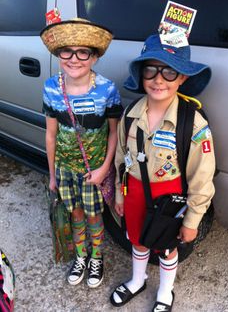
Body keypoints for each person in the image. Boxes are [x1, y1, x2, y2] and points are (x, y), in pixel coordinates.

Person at [110, 33, 215, 311]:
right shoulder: (131, 113)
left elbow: (202, 179)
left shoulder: (192, 123)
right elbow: (122, 156)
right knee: (137, 239)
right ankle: (137, 279)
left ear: (182, 78)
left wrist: (191, 221)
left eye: (169, 71)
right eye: (152, 70)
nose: (159, 79)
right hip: (133, 192)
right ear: (142, 75)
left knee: (167, 248)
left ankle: (166, 292)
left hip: (168, 199)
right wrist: (120, 196)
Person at [40, 18, 123, 288]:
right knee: (75, 214)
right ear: (58, 54)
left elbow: (114, 133)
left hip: (93, 171)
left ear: (94, 58)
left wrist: (104, 170)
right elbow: (51, 134)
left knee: (93, 215)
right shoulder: (51, 87)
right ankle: (81, 255)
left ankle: (96, 257)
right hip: (64, 169)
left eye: (83, 52)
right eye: (67, 51)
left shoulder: (107, 89)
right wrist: (52, 175)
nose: (74, 59)